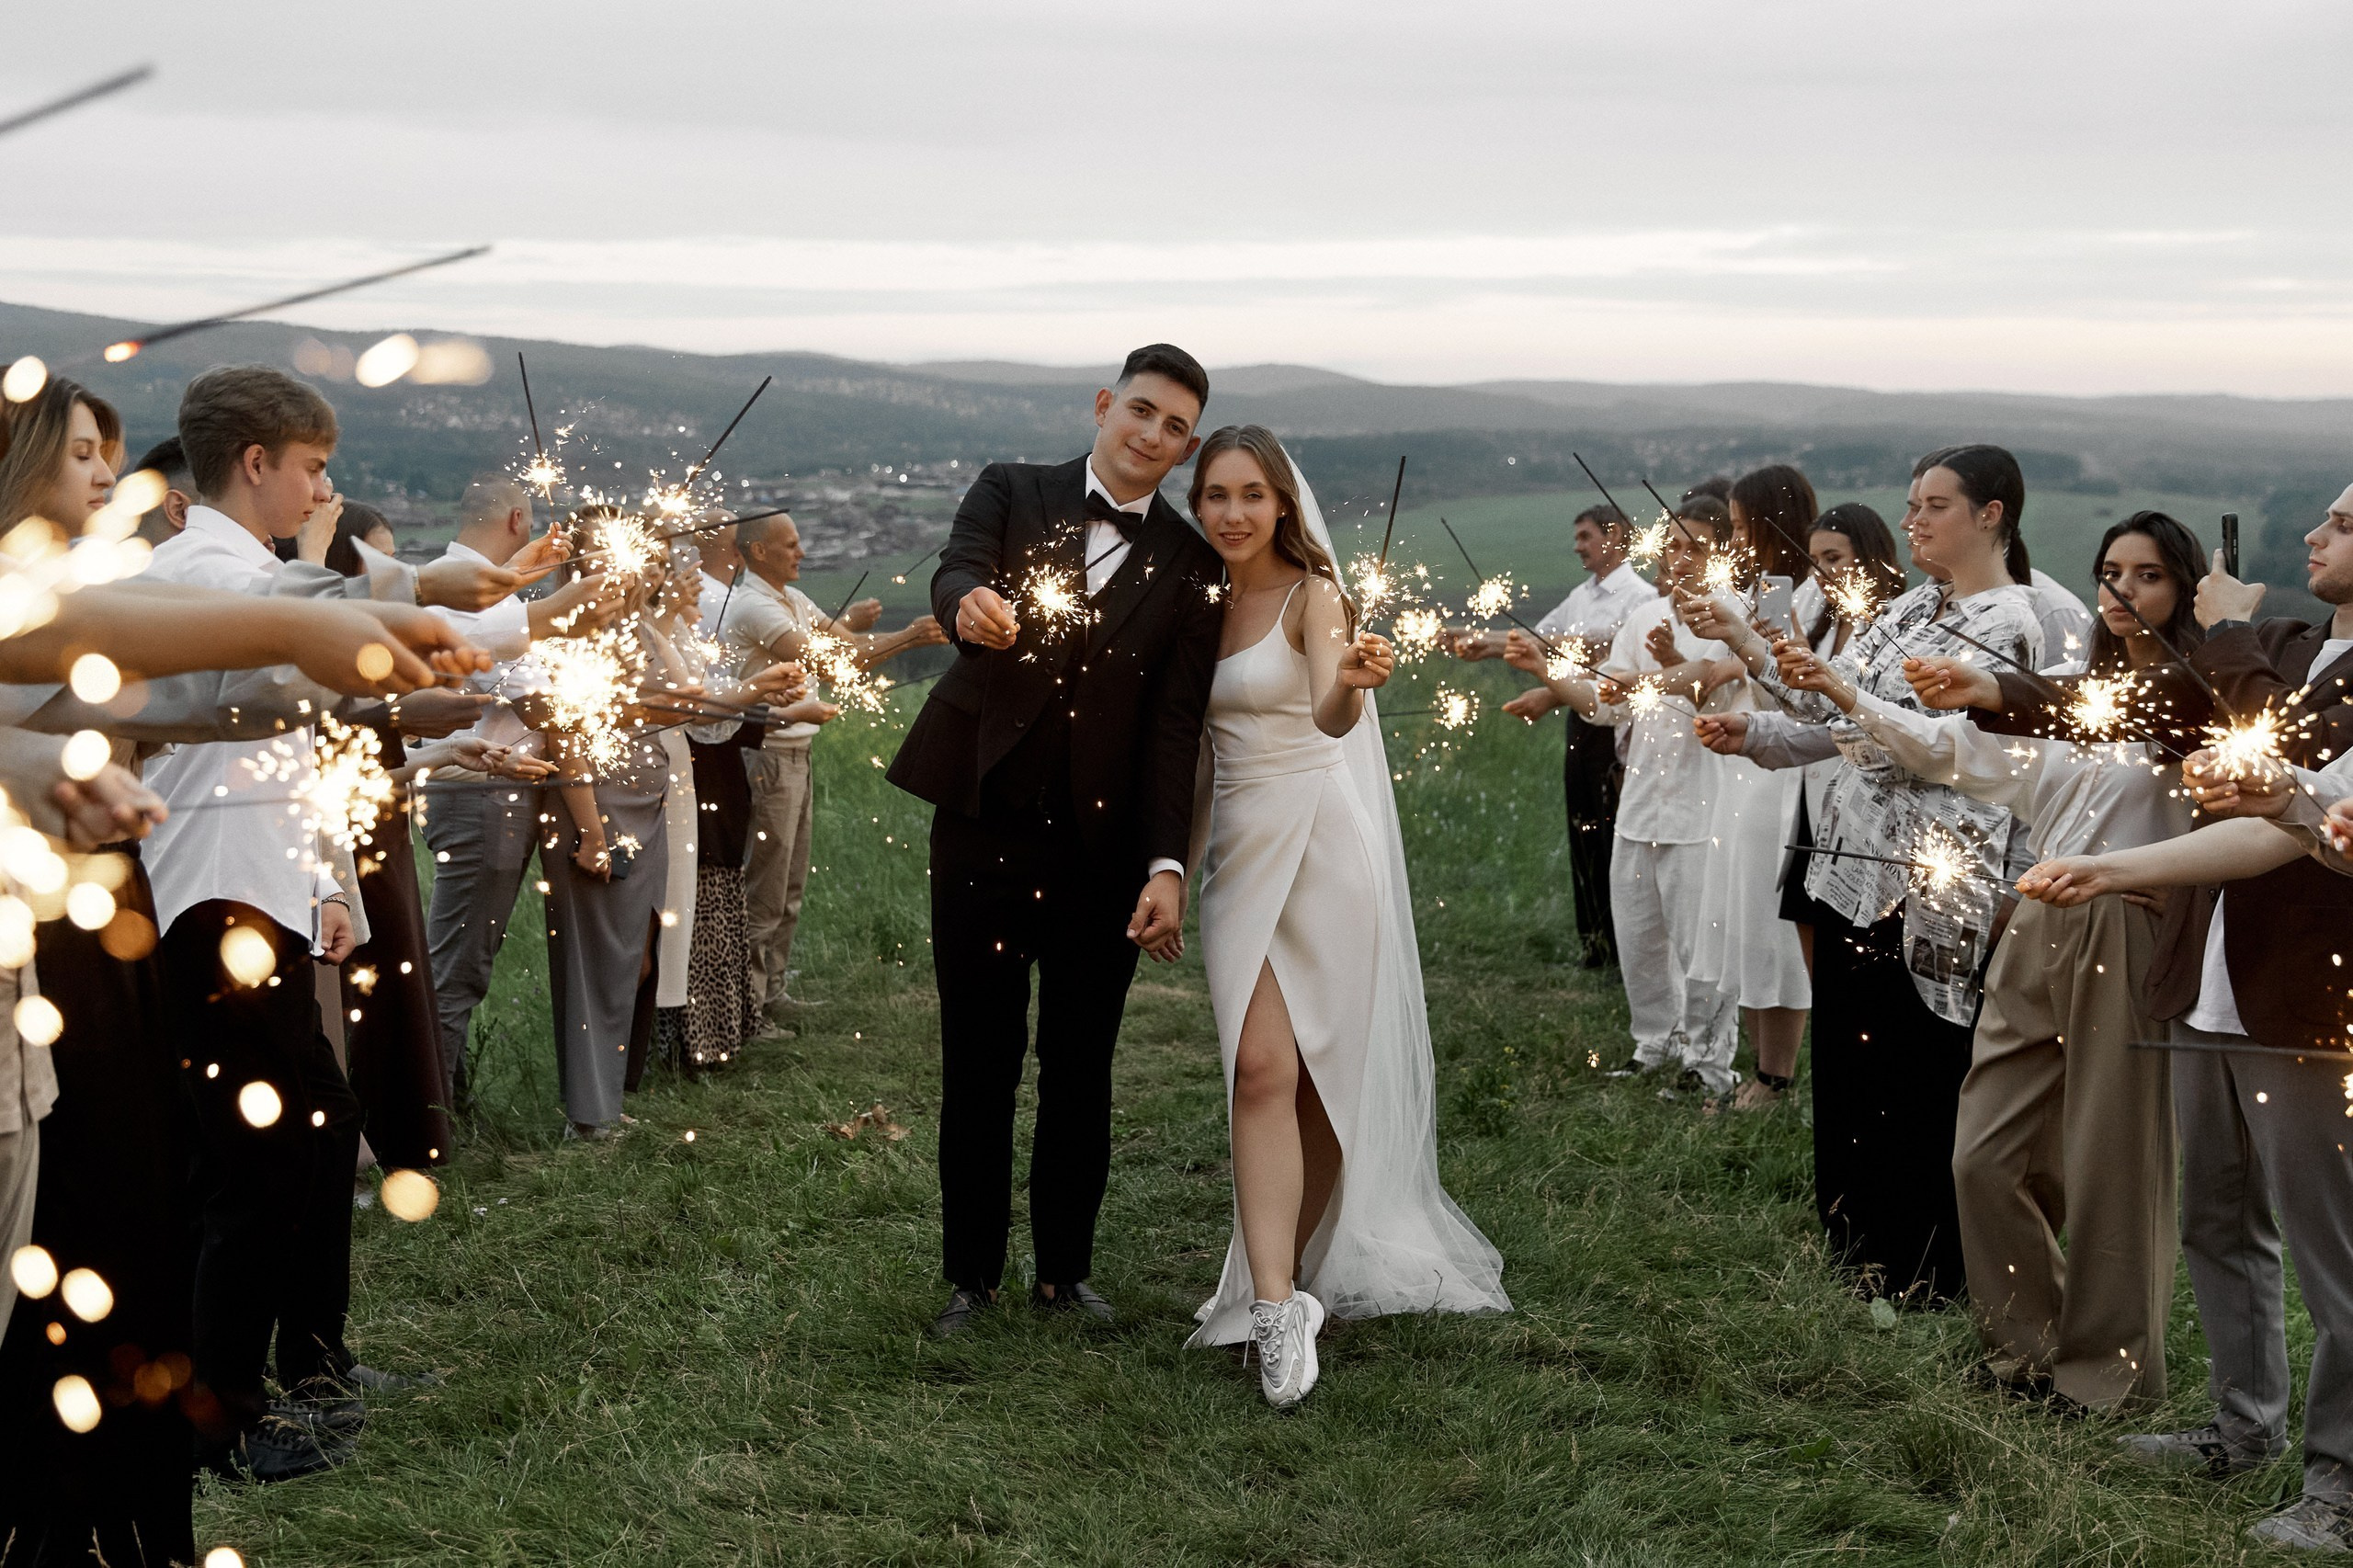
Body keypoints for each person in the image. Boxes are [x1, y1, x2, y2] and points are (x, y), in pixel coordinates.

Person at [2014, 484, 2353, 1551]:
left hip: (2308, 1000)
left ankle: (2341, 1484)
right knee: (2214, 1218)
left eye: (2345, 523)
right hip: (2206, 976)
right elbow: (2238, 768)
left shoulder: (2271, 648)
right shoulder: (2293, 641)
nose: (2315, 532)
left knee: (2332, 1256)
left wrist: (2227, 629)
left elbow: (2292, 811)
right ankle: (2240, 1427)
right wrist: (2109, 867)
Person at [888, 343, 1224, 1336]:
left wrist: (1165, 861)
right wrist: (965, 605)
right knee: (979, 1055)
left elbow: (1174, 726)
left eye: (1172, 427)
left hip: (1102, 848)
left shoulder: (1192, 561)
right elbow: (955, 567)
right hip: (982, 819)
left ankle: (1065, 1272)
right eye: (1140, 411)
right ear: (1102, 405)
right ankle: (971, 1275)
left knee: (1084, 1061)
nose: (1151, 436)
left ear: (1187, 444)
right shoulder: (1012, 488)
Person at [1178, 426, 1508, 1407]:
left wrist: (1353, 687)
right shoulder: (1196, 605)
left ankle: (1283, 1297)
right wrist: (1173, 870)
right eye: (1214, 496)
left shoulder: (1315, 597)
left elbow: (1326, 707)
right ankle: (1280, 1291)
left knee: (1310, 1077)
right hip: (1238, 852)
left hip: (1325, 842)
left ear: (1282, 503)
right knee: (1258, 1063)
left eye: (1250, 494)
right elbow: (1195, 753)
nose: (1232, 513)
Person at [1849, 512, 2206, 1410]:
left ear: (2187, 588)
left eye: (2150, 574)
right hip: (2037, 912)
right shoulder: (2069, 692)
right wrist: (1849, 697)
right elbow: (1963, 754)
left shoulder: (2200, 696)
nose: (2123, 590)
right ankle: (2022, 1348)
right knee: (1984, 1152)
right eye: (2110, 570)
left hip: (2126, 919)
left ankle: (2106, 1381)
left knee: (2111, 1158)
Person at [1689, 445, 2042, 1302]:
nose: (1914, 519)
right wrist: (1749, 648)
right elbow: (1830, 702)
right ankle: (1858, 1245)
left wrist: (1844, 705)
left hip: (1935, 873)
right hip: (1854, 862)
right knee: (1853, 1066)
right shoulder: (1913, 605)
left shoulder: (2012, 622)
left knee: (1921, 1068)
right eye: (1912, 503)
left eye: (1936, 506)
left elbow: (1913, 750)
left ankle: (1928, 1264)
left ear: (1991, 515)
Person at [136, 367, 371, 1481]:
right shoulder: (199, 571)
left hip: (266, 886)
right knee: (248, 1164)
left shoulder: (256, 570)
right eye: (312, 466)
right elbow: (317, 652)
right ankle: (219, 1416)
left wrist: (323, 881)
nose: (323, 487)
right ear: (256, 461)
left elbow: (285, 747)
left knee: (316, 1133)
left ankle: (315, 1358)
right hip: (208, 898)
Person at [1512, 497, 1741, 1096]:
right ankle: (1654, 1044)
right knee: (1640, 932)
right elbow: (1601, 701)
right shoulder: (1642, 617)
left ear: (1721, 555)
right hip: (1641, 793)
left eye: (1698, 548)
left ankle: (1709, 1062)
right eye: (1675, 545)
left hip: (1704, 796)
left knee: (1698, 939)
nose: (1683, 558)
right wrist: (1545, 672)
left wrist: (1671, 663)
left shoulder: (1732, 615)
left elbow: (1709, 693)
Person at [418, 475, 620, 1108]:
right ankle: (429, 1119)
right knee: (459, 966)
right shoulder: (477, 606)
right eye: (530, 521)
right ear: (514, 518)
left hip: (477, 790)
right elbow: (546, 711)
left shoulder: (461, 584)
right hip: (484, 794)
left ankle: (442, 1097)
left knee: (461, 959)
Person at [718, 510, 939, 1012]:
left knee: (789, 883)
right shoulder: (755, 605)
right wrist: (909, 637)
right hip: (767, 756)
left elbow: (846, 646)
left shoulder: (792, 598)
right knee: (765, 886)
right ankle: (746, 1006)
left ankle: (772, 991)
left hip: (797, 753)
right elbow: (830, 662)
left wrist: (860, 628)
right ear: (757, 552)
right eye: (790, 545)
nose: (801, 553)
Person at [1457, 504, 1650, 967]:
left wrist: (1503, 651)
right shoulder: (1581, 594)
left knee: (1611, 834)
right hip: (1581, 722)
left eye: (1586, 536)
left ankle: (1625, 945)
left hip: (1620, 727)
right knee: (1581, 825)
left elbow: (1596, 649)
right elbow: (1540, 638)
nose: (1578, 546)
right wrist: (1486, 644)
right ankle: (1594, 942)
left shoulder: (1639, 598)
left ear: (1616, 536)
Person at [1683, 465, 1817, 1110]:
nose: (1734, 538)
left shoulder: (1793, 589)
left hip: (1788, 771)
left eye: (1740, 525)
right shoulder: (1763, 587)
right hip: (1748, 765)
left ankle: (1777, 1076)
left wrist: (1740, 644)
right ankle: (1761, 1068)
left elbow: (1780, 685)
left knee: (1770, 919)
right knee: (1745, 914)